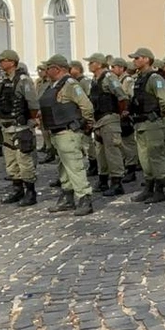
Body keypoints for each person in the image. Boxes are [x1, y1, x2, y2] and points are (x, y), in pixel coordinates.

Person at [40, 54, 96, 216]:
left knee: (74, 166)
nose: (45, 71)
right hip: (57, 132)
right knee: (63, 167)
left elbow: (86, 106)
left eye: (48, 68)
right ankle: (67, 196)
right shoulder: (54, 85)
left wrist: (86, 124)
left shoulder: (70, 84)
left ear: (56, 68)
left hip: (68, 132)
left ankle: (84, 198)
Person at [128, 48, 165, 203]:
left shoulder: (155, 78)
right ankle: (148, 187)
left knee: (156, 156)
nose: (134, 60)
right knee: (144, 158)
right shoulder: (139, 78)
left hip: (152, 123)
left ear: (147, 59)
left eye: (138, 58)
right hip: (141, 123)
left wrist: (158, 113)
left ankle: (159, 190)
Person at [0, 51, 41, 206]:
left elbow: (33, 104)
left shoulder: (23, 81)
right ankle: (17, 189)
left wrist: (32, 120)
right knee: (11, 161)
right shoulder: (4, 81)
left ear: (12, 62)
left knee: (24, 160)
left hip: (20, 127)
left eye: (3, 60)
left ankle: (30, 191)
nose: (0, 63)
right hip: (6, 126)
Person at [85, 53, 129, 197]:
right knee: (100, 152)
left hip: (109, 118)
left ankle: (117, 182)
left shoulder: (109, 77)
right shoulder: (94, 80)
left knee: (112, 151)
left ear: (99, 64)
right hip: (98, 120)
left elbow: (121, 96)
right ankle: (103, 179)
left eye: (91, 62)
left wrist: (121, 113)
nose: (89, 65)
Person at [111, 57, 141, 183]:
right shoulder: (116, 80)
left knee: (128, 144)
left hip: (126, 114)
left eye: (114, 67)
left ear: (121, 68)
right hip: (119, 114)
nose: (112, 69)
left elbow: (130, 96)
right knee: (122, 143)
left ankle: (131, 169)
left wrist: (127, 110)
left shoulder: (127, 80)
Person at [36, 64, 57, 164]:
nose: (40, 72)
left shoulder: (51, 82)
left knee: (50, 133)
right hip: (41, 110)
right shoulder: (40, 82)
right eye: (38, 70)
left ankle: (53, 151)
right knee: (45, 132)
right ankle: (49, 150)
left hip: (49, 110)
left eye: (42, 70)